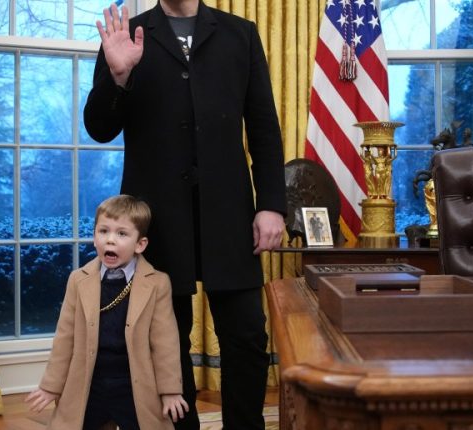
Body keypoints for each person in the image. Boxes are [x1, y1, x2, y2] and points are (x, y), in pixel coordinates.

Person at [83, 1, 286, 429]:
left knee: (247, 336)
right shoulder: (127, 35)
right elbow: (99, 127)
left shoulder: (241, 33)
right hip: (154, 219)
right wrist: (119, 76)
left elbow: (265, 128)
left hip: (229, 213)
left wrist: (270, 204)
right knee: (164, 341)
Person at [25, 195, 188, 429]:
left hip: (133, 384)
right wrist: (51, 386)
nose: (110, 240)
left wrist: (170, 391)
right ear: (94, 238)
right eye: (103, 231)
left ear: (140, 244)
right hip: (89, 383)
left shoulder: (158, 283)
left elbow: (165, 343)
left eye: (122, 234)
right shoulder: (78, 280)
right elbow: (65, 338)